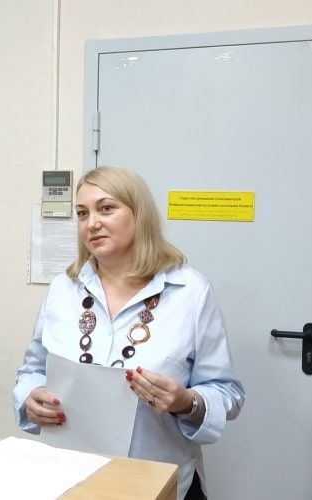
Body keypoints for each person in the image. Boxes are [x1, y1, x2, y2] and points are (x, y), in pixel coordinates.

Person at [13, 166, 245, 500]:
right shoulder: (63, 290)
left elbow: (227, 393)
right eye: (82, 213)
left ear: (139, 214)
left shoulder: (191, 292)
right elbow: (32, 370)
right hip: (73, 479)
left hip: (157, 484)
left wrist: (185, 402)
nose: (92, 223)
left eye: (106, 208)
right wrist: (30, 397)